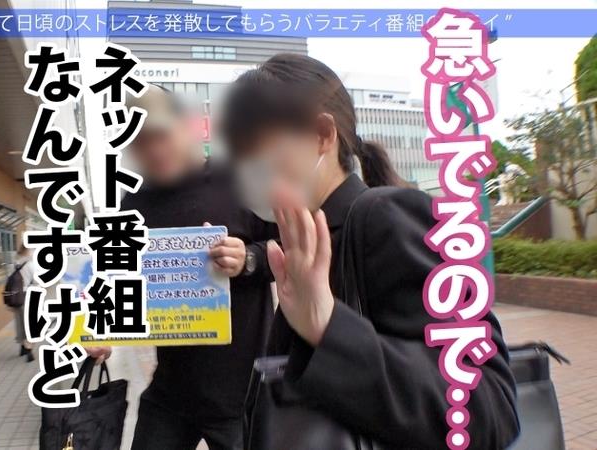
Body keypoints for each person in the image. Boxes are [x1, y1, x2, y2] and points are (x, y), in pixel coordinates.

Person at [221, 53, 519, 449]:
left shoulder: (387, 218)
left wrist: (327, 326)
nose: (245, 169)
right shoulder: (315, 240)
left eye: (255, 148)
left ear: (322, 135)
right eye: (238, 155)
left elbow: (488, 408)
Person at [108, 85, 275, 450]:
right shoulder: (135, 203)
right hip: (169, 391)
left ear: (188, 127)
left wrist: (249, 258)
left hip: (242, 396)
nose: (153, 150)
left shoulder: (243, 179)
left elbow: (293, 250)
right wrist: (100, 331)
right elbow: (119, 277)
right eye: (140, 142)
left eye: (160, 135)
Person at [12, 245, 35, 362]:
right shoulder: (30, 265)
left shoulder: (15, 264)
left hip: (16, 296)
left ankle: (22, 347)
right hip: (28, 295)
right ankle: (28, 349)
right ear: (27, 250)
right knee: (30, 323)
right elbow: (37, 281)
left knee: (20, 322)